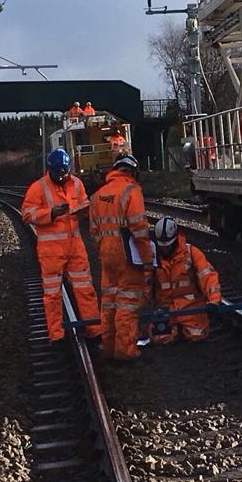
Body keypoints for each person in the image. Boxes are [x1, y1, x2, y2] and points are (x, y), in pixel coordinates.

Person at [21, 149, 101, 343]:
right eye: (58, 174)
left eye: (64, 173)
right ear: (51, 170)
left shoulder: (76, 183)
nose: (62, 177)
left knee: (85, 288)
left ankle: (94, 329)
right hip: (51, 252)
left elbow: (83, 203)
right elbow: (27, 214)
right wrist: (51, 213)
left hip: (75, 247)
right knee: (52, 294)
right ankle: (56, 335)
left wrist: (83, 211)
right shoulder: (38, 188)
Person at [89, 153, 153, 360]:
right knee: (127, 301)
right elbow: (140, 231)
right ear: (133, 171)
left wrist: (104, 249)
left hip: (106, 253)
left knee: (109, 301)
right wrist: (147, 261)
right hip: (127, 253)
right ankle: (125, 350)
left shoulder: (98, 195)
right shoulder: (131, 191)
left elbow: (93, 230)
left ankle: (108, 347)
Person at [151, 217, 222, 344]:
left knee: (197, 335)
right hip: (164, 309)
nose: (165, 249)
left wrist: (213, 301)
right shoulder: (152, 257)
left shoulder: (191, 253)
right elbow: (142, 284)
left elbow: (208, 276)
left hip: (191, 307)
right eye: (162, 246)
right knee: (161, 339)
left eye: (168, 246)